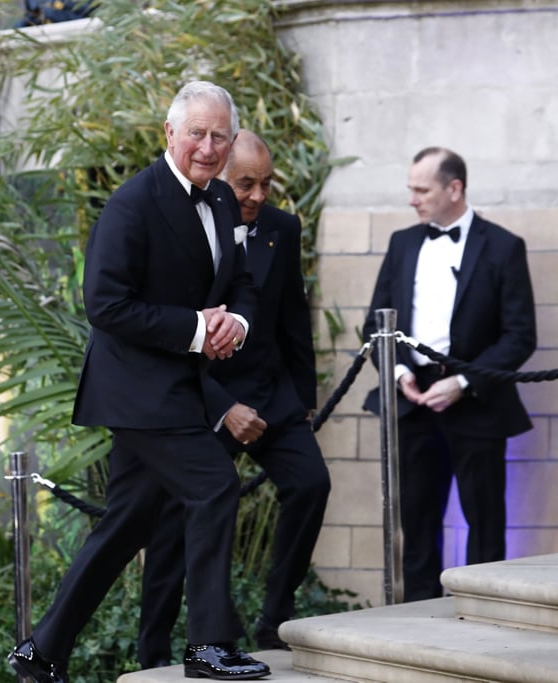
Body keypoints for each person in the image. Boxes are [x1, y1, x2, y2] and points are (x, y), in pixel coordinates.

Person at [8, 81, 270, 682]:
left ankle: (41, 649)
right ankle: (208, 646)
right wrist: (197, 332)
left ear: (232, 141)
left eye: (219, 136)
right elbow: (104, 304)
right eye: (196, 134)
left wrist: (238, 322)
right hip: (137, 389)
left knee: (126, 522)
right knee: (214, 488)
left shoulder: (225, 202)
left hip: (177, 386)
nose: (207, 147)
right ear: (169, 134)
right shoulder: (132, 203)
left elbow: (243, 283)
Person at [137, 131, 332, 667]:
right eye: (247, 183)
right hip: (198, 396)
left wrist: (305, 400)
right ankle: (153, 646)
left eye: (267, 183)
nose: (259, 194)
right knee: (173, 524)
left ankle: (276, 614)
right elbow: (168, 332)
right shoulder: (187, 221)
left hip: (271, 393)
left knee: (312, 482)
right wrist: (222, 407)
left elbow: (294, 316)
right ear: (221, 177)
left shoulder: (281, 228)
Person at [362, 147, 537, 602]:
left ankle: (487, 616)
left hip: (476, 402)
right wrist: (399, 372)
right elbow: (374, 325)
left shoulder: (503, 247)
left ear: (454, 188)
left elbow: (520, 336)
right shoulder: (402, 244)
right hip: (413, 402)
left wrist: (462, 382)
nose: (412, 199)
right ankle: (418, 622)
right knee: (416, 521)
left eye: (422, 190)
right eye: (411, 189)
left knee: (485, 521)